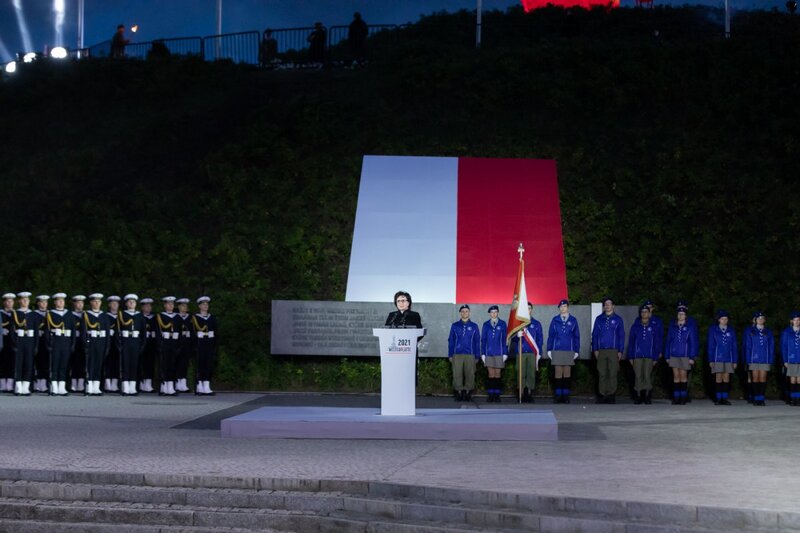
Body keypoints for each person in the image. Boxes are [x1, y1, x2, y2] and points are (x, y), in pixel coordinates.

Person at [591, 297, 625, 403]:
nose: (607, 306)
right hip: (601, 350)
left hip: (613, 350)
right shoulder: (599, 319)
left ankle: (611, 395)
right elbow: (595, 335)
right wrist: (595, 349)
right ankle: (602, 394)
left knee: (612, 372)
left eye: (609, 304)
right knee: (602, 372)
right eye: (605, 304)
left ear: (613, 306)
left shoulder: (618, 319)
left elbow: (621, 336)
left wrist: (620, 350)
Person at [626, 304, 661, 404]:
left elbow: (656, 343)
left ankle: (647, 395)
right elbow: (631, 342)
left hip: (649, 355)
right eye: (642, 312)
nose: (644, 314)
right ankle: (638, 395)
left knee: (647, 375)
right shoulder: (636, 326)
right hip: (637, 355)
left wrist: (655, 357)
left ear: (649, 313)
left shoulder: (653, 327)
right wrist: (631, 356)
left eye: (646, 312)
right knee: (638, 375)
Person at [547, 299, 580, 404]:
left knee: (566, 372)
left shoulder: (573, 320)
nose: (563, 308)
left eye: (564, 306)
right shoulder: (555, 320)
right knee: (558, 372)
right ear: (559, 308)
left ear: (567, 307)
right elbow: (551, 336)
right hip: (557, 349)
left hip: (569, 349)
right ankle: (558, 395)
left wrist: (576, 350)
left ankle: (565, 395)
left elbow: (576, 337)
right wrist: (549, 349)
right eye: (561, 307)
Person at [665, 303, 699, 405]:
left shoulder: (690, 327)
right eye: (679, 314)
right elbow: (668, 342)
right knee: (676, 375)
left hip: (685, 355)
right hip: (674, 354)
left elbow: (693, 342)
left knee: (683, 375)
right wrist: (667, 355)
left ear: (686, 316)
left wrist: (692, 356)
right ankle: (676, 397)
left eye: (682, 314)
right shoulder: (673, 327)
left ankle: (683, 397)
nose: (680, 316)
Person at [510, 302, 543, 403]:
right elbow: (512, 339)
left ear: (531, 310)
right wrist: (517, 335)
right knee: (521, 373)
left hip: (532, 353)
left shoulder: (536, 324)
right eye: (526, 308)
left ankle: (529, 393)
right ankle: (521, 393)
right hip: (521, 352)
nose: (528, 310)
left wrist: (539, 352)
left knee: (531, 374)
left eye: (529, 308)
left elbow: (539, 340)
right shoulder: (518, 324)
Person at [44, 293, 77, 396]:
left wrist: (73, 344)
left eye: (62, 300)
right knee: (55, 364)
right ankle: (54, 386)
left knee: (64, 365)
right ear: (55, 302)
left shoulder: (69, 314)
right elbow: (47, 330)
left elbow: (73, 330)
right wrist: (48, 343)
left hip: (66, 342)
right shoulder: (50, 314)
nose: (61, 302)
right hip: (55, 342)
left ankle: (62, 387)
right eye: (58, 300)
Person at [447, 304, 480, 402]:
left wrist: (477, 355)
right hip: (457, 354)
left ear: (469, 313)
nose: (464, 313)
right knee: (457, 374)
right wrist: (450, 354)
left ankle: (468, 392)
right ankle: (459, 392)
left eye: (466, 311)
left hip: (470, 353)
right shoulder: (455, 325)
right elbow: (451, 340)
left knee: (470, 374)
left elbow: (477, 341)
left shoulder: (474, 326)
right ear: (460, 313)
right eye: (463, 311)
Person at [82, 293, 112, 396]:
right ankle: (89, 386)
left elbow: (107, 332)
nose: (97, 303)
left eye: (99, 301)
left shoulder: (104, 315)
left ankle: (96, 387)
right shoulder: (86, 315)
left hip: (101, 342)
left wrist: (107, 345)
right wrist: (85, 343)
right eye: (95, 301)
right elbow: (83, 332)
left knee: (99, 365)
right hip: (91, 342)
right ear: (91, 303)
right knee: (91, 364)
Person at [12, 292, 40, 396]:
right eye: (23, 299)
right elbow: (12, 331)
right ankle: (18, 386)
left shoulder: (33, 314)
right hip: (19, 341)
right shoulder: (15, 313)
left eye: (27, 300)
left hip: (30, 341)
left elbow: (36, 331)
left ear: (29, 301)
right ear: (19, 301)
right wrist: (14, 343)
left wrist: (36, 345)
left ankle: (26, 386)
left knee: (28, 364)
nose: (25, 301)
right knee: (18, 364)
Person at [117, 294, 146, 396]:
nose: (131, 303)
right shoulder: (122, 315)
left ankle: (133, 388)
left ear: (136, 304)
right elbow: (118, 330)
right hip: (125, 341)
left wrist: (142, 344)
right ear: (126, 303)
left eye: (133, 302)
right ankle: (125, 388)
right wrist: (119, 343)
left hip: (135, 341)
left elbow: (143, 332)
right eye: (129, 302)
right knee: (125, 364)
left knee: (134, 364)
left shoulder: (139, 315)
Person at [707, 309, 737, 405]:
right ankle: (718, 398)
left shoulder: (731, 330)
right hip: (717, 357)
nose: (724, 321)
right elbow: (711, 345)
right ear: (719, 320)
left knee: (726, 377)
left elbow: (734, 346)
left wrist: (735, 360)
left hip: (728, 357)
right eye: (722, 319)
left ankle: (724, 398)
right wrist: (711, 359)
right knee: (718, 377)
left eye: (726, 319)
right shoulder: (713, 330)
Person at [744, 311, 774, 406]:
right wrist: (748, 359)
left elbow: (771, 346)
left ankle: (761, 398)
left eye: (762, 318)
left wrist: (770, 359)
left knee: (763, 378)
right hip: (753, 359)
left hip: (764, 358)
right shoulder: (750, 331)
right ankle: (755, 398)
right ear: (755, 320)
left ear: (764, 320)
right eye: (758, 318)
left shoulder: (768, 331)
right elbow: (747, 346)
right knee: (755, 378)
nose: (760, 320)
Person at [481, 305, 508, 402]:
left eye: (495, 312)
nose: (494, 314)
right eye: (492, 312)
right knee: (490, 374)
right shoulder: (486, 324)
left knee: (498, 374)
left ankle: (497, 394)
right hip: (489, 352)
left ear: (498, 312)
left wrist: (505, 352)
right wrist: (483, 353)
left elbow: (506, 339)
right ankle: (491, 394)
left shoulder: (503, 324)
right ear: (489, 313)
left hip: (499, 352)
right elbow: (483, 340)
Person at [193, 296, 218, 395]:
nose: (205, 306)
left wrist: (215, 343)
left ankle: (207, 385)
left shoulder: (212, 318)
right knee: (200, 364)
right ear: (199, 306)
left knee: (208, 364)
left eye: (207, 304)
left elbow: (216, 331)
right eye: (203, 304)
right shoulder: (195, 318)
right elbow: (193, 331)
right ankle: (199, 385)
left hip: (209, 342)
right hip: (200, 343)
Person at [157, 296, 180, 396]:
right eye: (168, 304)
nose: (170, 305)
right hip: (164, 342)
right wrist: (159, 343)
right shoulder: (160, 316)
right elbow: (158, 331)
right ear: (165, 305)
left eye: (172, 304)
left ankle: (170, 386)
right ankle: (163, 386)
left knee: (172, 364)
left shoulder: (177, 317)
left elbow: (179, 330)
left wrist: (179, 344)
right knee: (164, 364)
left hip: (174, 342)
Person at [781, 311, 800, 406]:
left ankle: (798, 398)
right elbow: (784, 347)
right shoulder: (787, 332)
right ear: (791, 321)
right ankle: (793, 398)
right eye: (795, 320)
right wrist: (785, 360)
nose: (797, 322)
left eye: (798, 320)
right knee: (792, 379)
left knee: (799, 379)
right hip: (791, 358)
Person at [139, 297, 157, 393]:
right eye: (146, 306)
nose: (148, 307)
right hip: (142, 342)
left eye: (150, 306)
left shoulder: (154, 317)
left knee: (150, 363)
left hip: (151, 342)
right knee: (141, 363)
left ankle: (148, 384)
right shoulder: (139, 317)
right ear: (142, 307)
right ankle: (141, 383)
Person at [174, 297, 193, 392]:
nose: (184, 307)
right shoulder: (175, 317)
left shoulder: (190, 317)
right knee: (177, 362)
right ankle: (177, 382)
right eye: (182, 305)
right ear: (178, 307)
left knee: (185, 363)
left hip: (187, 342)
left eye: (186, 305)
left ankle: (183, 383)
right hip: (177, 342)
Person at [69, 295, 86, 393]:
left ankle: (81, 383)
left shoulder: (86, 315)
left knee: (82, 362)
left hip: (83, 340)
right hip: (73, 340)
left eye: (82, 303)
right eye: (78, 302)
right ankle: (73, 383)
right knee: (73, 362)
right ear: (74, 304)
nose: (80, 304)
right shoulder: (70, 315)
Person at [33, 294, 50, 393]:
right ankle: (35, 382)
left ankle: (43, 383)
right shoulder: (34, 314)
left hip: (46, 340)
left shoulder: (50, 314)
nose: (44, 304)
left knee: (44, 361)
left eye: (45, 302)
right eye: (41, 302)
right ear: (38, 303)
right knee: (35, 361)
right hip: (36, 340)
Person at [104, 295, 121, 392]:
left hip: (118, 342)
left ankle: (114, 384)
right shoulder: (106, 316)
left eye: (116, 303)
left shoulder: (121, 316)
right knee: (107, 362)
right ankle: (107, 383)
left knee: (116, 362)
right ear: (109, 305)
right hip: (108, 341)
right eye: (113, 303)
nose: (115, 305)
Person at [0, 293, 15, 393]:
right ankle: (2, 384)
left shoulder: (16, 314)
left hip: (12, 341)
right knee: (1, 362)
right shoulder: (0, 313)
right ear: (4, 302)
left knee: (11, 362)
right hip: (2, 340)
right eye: (7, 301)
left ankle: (10, 385)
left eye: (11, 301)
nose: (9, 303)